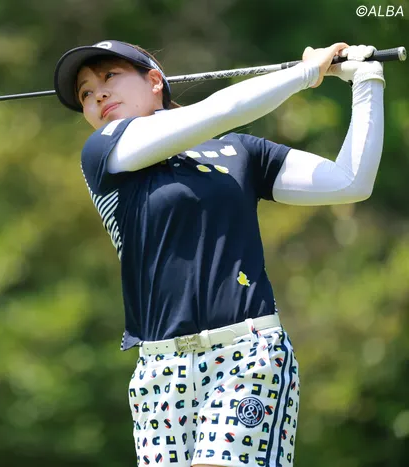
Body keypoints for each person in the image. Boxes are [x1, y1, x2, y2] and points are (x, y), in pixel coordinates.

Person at [53, 39, 385, 467]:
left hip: (246, 355)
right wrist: (305, 73)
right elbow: (219, 111)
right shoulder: (104, 153)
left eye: (109, 77)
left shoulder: (239, 152)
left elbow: (349, 180)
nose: (97, 94)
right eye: (85, 93)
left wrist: (366, 81)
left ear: (154, 81)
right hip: (160, 369)